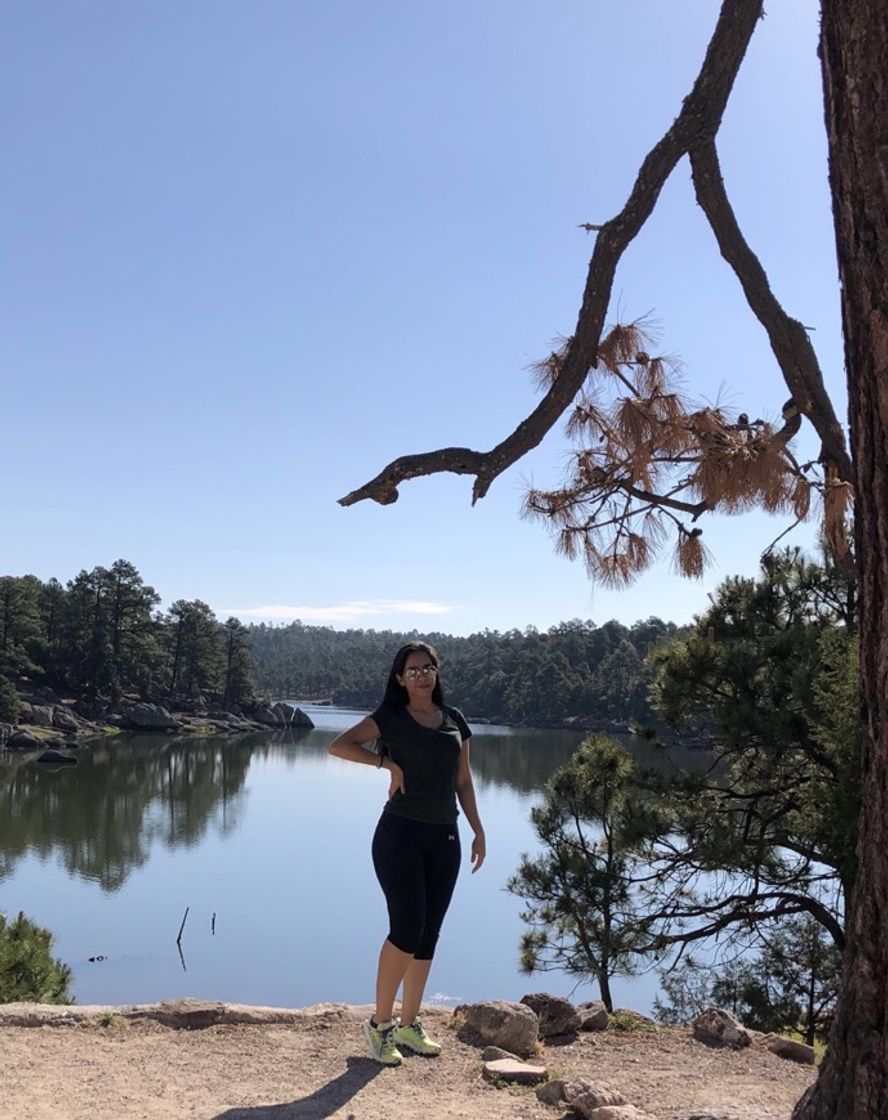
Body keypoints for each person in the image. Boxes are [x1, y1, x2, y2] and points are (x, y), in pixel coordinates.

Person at [328, 640, 486, 1067]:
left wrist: (477, 830)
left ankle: (409, 1025)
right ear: (400, 678)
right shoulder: (391, 718)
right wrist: (388, 765)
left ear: (437, 673)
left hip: (445, 838)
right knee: (406, 927)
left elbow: (464, 781)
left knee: (428, 932)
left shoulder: (454, 721)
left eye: (428, 668)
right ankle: (379, 1025)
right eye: (413, 670)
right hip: (399, 836)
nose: (421, 675)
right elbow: (339, 746)